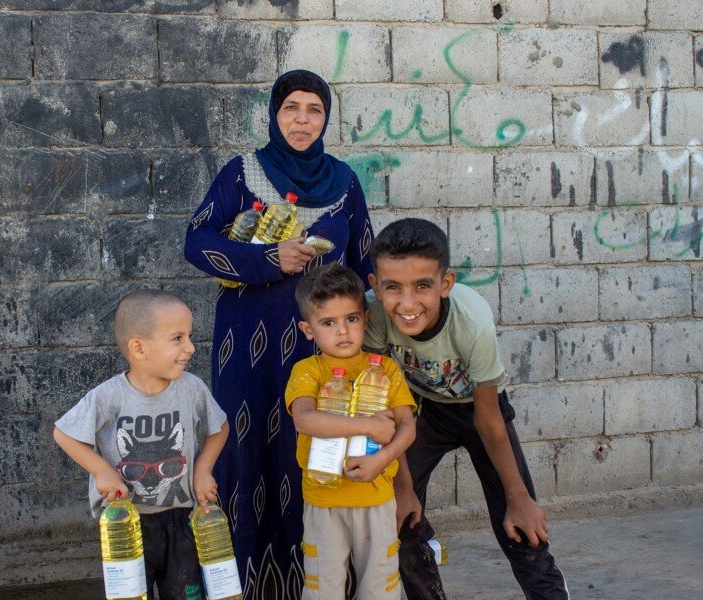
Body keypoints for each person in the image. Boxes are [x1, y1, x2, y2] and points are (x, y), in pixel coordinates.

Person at [184, 69, 375, 598]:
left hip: (317, 349)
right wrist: (267, 257)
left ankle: (315, 583)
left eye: (314, 110)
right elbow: (196, 242)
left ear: (326, 118)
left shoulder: (345, 183)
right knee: (242, 449)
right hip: (245, 345)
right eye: (291, 107)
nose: (302, 120)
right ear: (273, 113)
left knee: (309, 449)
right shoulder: (242, 174)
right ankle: (240, 584)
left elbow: (364, 264)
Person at [363, 218, 570, 599]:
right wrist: (403, 487)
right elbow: (386, 409)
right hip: (421, 410)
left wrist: (518, 496)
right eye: (393, 287)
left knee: (520, 522)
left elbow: (489, 420)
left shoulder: (472, 324)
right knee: (399, 515)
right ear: (376, 285)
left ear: (445, 284)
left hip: (480, 410)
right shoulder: (374, 316)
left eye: (422, 286)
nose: (407, 304)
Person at [53, 289, 229, 600]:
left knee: (187, 594)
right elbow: (63, 433)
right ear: (138, 347)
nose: (190, 347)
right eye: (178, 338)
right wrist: (102, 471)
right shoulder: (109, 396)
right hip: (127, 523)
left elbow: (220, 427)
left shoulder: (191, 389)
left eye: (190, 336)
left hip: (182, 518)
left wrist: (203, 471)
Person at [284, 263, 416, 599]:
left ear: (365, 320)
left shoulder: (385, 369)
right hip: (323, 500)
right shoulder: (308, 371)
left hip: (376, 498)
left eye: (351, 319)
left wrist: (382, 458)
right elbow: (305, 420)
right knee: (323, 588)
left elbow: (407, 428)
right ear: (308, 329)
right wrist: (368, 426)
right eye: (329, 322)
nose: (343, 331)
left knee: (380, 586)